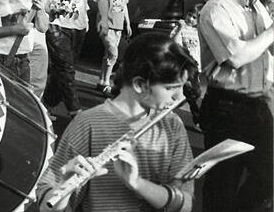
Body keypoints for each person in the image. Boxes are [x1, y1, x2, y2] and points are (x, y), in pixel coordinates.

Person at [36, 33, 196, 212]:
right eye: (169, 88)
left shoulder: (172, 126)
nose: (180, 97)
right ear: (140, 85)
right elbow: (46, 206)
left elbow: (185, 205)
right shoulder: (88, 124)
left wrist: (137, 183)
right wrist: (65, 188)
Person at [198, 0, 273, 212]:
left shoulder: (257, 6)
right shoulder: (216, 9)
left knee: (268, 177)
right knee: (222, 185)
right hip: (226, 108)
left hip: (257, 105)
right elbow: (238, 57)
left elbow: (265, 51)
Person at [42, 0, 107, 118]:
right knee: (65, 67)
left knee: (62, 68)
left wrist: (103, 18)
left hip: (79, 25)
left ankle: (47, 103)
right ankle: (75, 110)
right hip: (54, 23)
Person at [98, 0, 132, 96]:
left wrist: (128, 23)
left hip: (118, 26)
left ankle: (101, 81)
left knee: (108, 55)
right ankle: (106, 83)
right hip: (107, 25)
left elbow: (124, 5)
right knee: (114, 53)